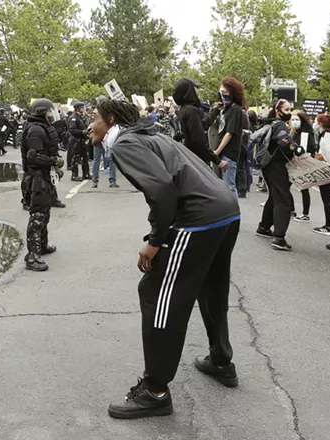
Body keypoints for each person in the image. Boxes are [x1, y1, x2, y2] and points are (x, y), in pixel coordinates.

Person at [90, 99, 240, 420]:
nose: (90, 125)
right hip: (226, 211)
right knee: (211, 289)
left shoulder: (126, 142)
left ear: (111, 119)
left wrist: (156, 241)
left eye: (94, 118)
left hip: (199, 216)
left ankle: (155, 390)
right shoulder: (151, 135)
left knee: (158, 292)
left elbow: (163, 190)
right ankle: (221, 360)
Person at [256, 99, 305, 251]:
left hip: (268, 166)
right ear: (278, 111)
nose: (289, 113)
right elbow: (284, 141)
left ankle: (264, 227)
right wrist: (295, 148)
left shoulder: (270, 123)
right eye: (287, 110)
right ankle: (279, 237)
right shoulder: (280, 125)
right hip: (277, 166)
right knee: (283, 199)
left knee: (275, 196)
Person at [22, 98, 64, 272]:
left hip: (44, 176)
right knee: (38, 215)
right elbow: (34, 157)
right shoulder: (36, 131)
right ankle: (32, 256)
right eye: (48, 112)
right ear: (41, 112)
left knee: (45, 213)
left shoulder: (41, 128)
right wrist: (54, 161)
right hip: (36, 178)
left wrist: (53, 166)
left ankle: (42, 246)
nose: (51, 115)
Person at [172, 79, 228, 171]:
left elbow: (201, 126)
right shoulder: (191, 111)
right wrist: (218, 161)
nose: (198, 90)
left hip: (190, 157)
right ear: (189, 91)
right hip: (198, 160)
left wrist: (215, 111)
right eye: (195, 87)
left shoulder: (183, 110)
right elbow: (199, 140)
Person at [211, 77, 246, 198]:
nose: (222, 95)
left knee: (229, 187)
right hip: (222, 151)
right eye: (221, 93)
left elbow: (229, 133)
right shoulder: (225, 110)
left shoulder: (235, 109)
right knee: (222, 187)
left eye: (225, 92)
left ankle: (234, 214)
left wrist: (217, 151)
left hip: (229, 152)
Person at [312, 114, 330, 236]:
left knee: (326, 198)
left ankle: (329, 225)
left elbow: (322, 155)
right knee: (329, 198)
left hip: (325, 169)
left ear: (320, 124)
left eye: (316, 121)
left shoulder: (325, 137)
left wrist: (315, 158)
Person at [291, 111, 317, 222]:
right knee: (285, 187)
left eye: (296, 119)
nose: (294, 122)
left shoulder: (307, 133)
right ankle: (291, 210)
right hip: (293, 163)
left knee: (304, 188)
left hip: (303, 163)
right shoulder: (294, 133)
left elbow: (310, 148)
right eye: (292, 120)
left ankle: (305, 214)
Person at [68, 103, 91, 181]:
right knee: (76, 158)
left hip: (83, 140)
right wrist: (82, 132)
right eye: (81, 108)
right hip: (76, 140)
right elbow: (72, 130)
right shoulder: (73, 118)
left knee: (85, 158)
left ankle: (86, 174)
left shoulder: (81, 117)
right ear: (77, 108)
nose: (83, 109)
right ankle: (74, 175)